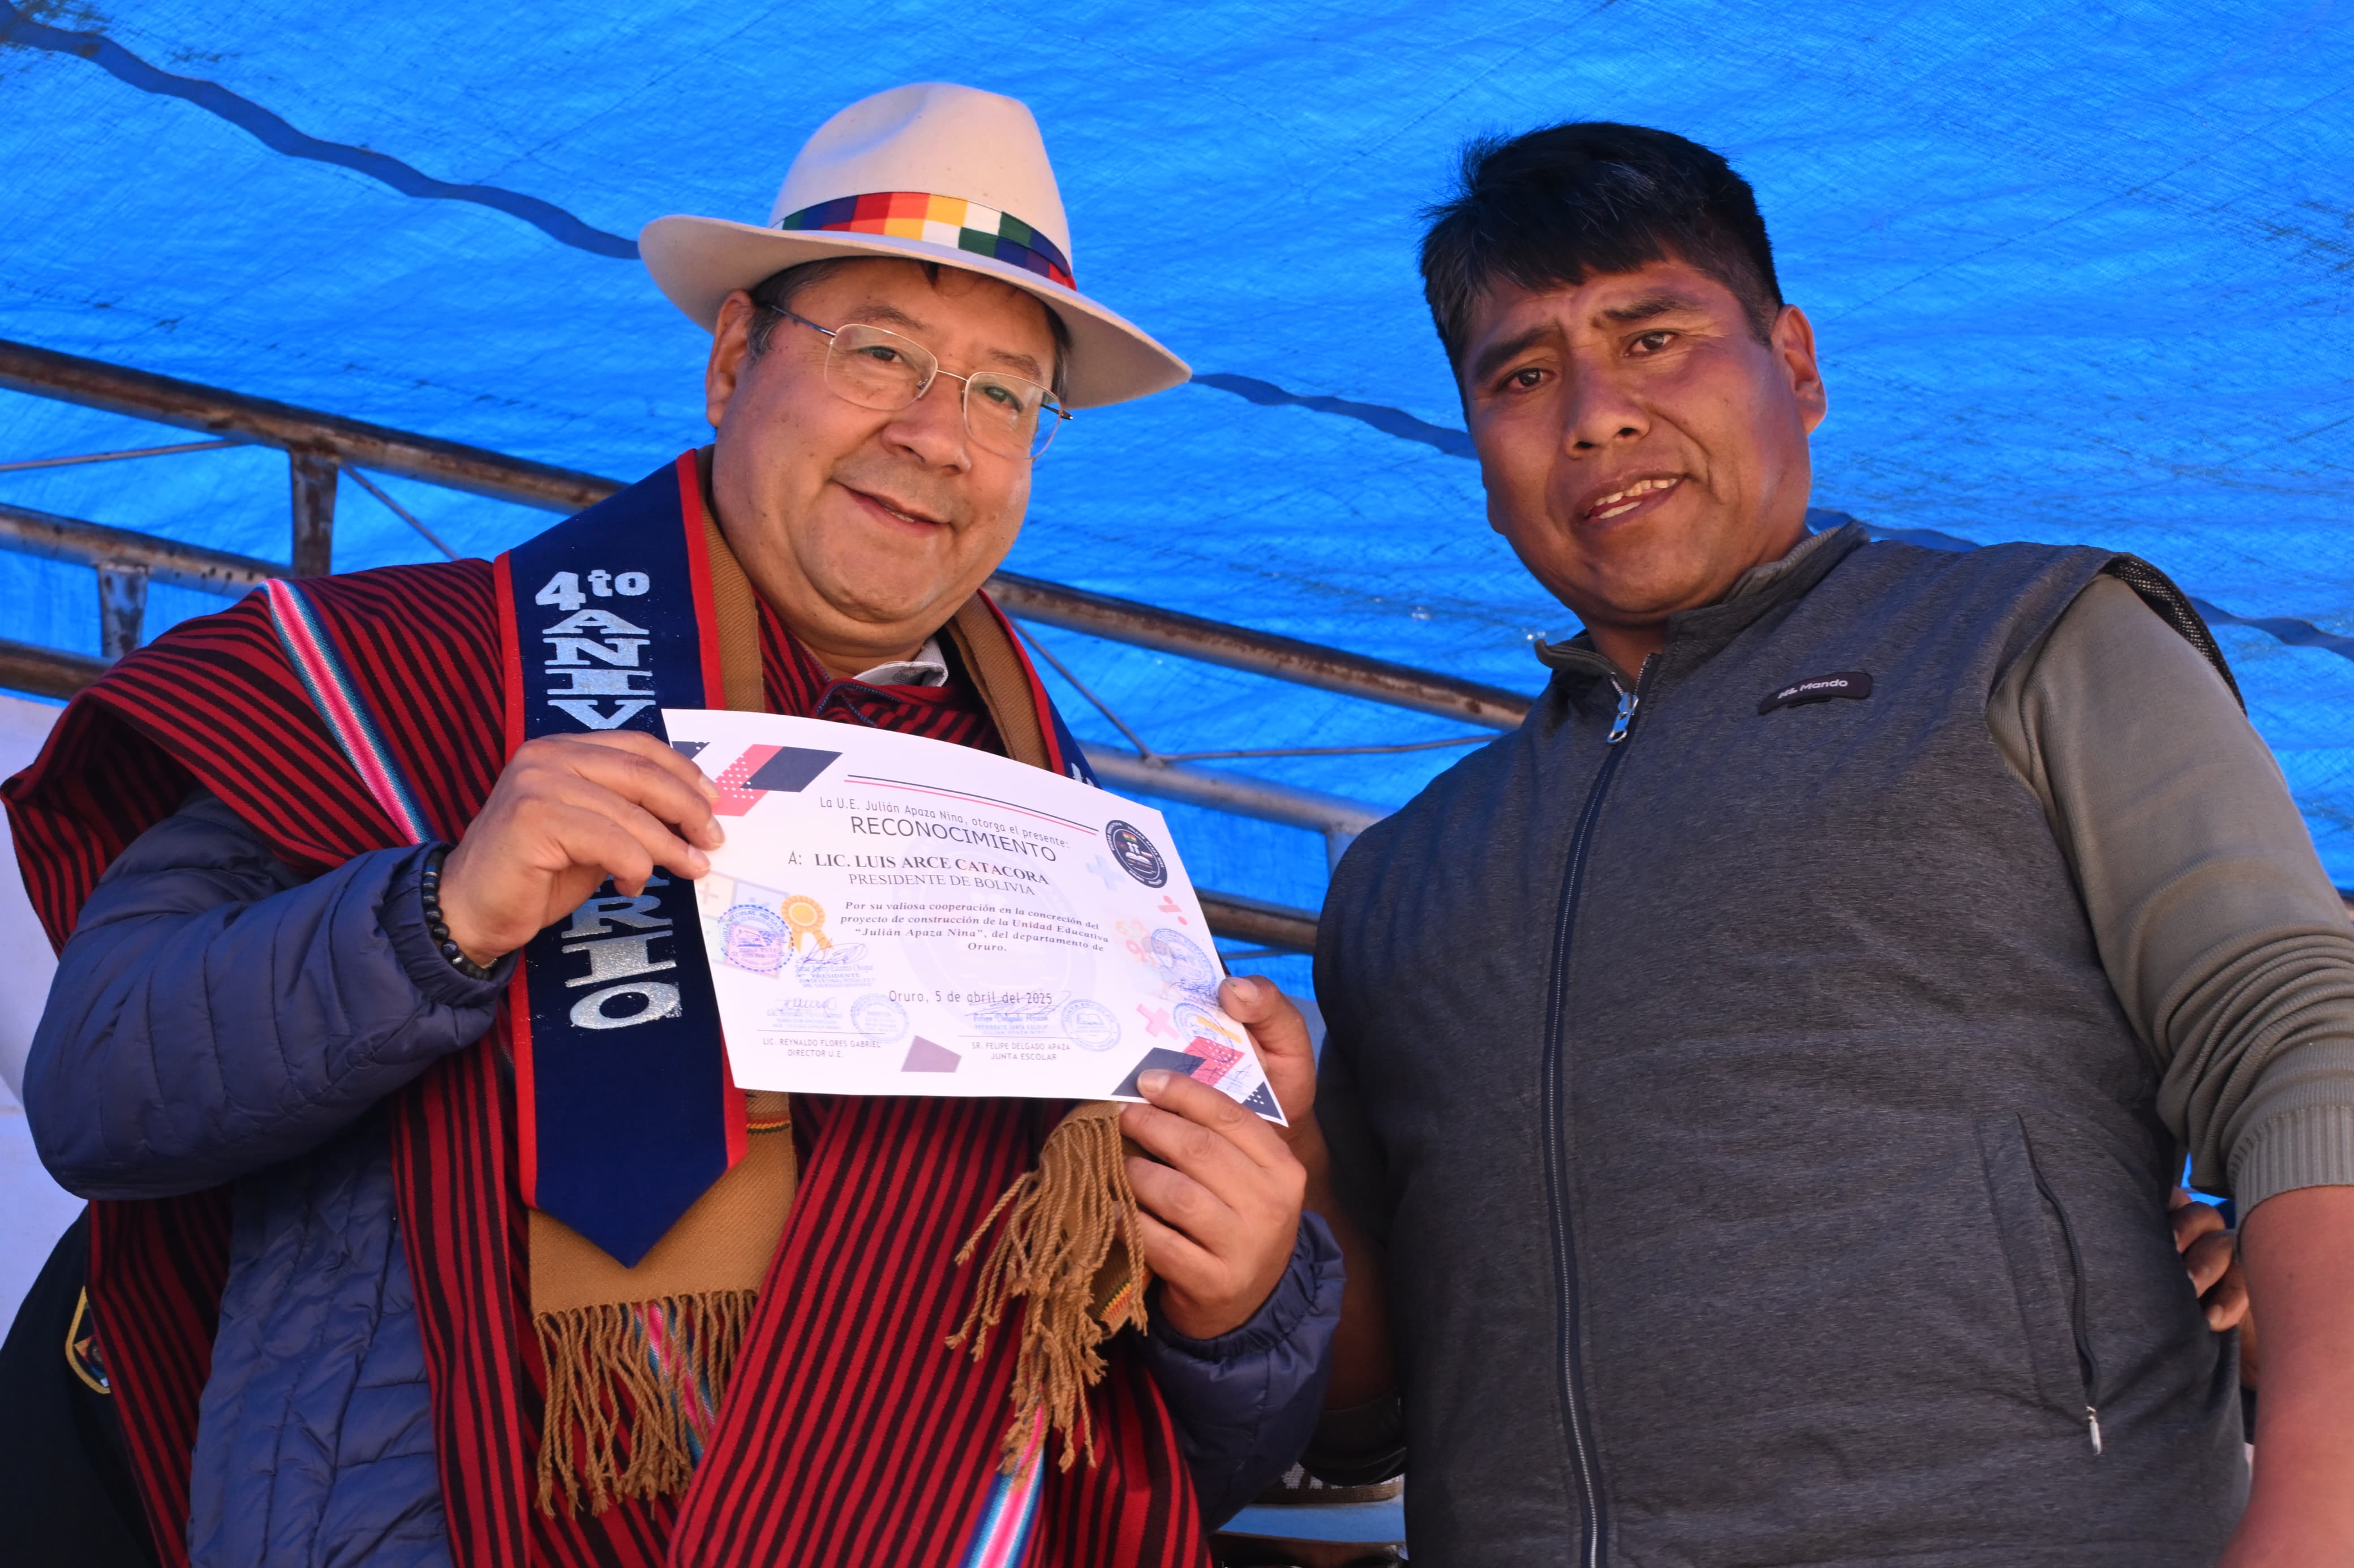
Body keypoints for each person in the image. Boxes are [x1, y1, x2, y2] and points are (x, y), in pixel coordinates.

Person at [6, 83, 1336, 1568]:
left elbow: (1163, 1459)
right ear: (731, 360)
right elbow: (98, 1085)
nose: (937, 435)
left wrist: (1245, 1304)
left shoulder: (1082, 864)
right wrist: (436, 916)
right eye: (881, 352)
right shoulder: (409, 680)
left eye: (1003, 395)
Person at [1231, 122, 2354, 1565]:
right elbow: (1368, 1410)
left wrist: (2320, 1503)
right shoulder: (1406, 875)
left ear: (1796, 364)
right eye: (1521, 377)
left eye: (1652, 336)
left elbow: (2293, 1031)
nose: (1595, 415)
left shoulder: (2029, 642)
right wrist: (1291, 1170)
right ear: (1479, 454)